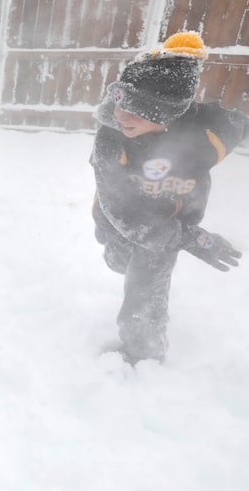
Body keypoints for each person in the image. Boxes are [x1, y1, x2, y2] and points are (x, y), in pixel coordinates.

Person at [90, 31, 248, 365]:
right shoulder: (111, 139)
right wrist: (194, 240)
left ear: (168, 113)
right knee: (120, 261)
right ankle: (119, 255)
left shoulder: (211, 132)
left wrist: (180, 234)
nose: (122, 115)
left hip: (171, 221)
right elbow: (123, 212)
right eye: (120, 101)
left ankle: (142, 354)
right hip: (119, 220)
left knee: (149, 276)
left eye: (138, 110)